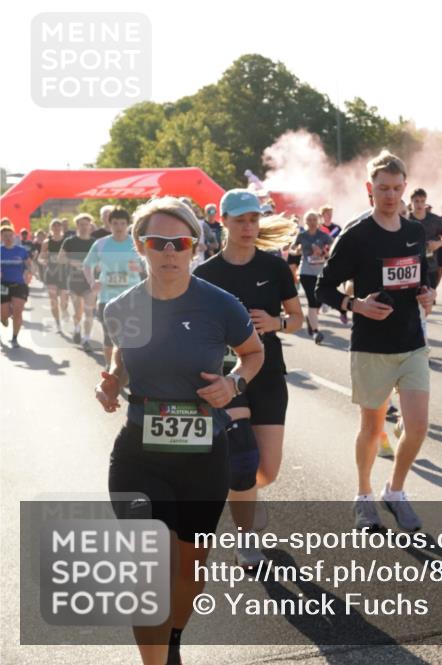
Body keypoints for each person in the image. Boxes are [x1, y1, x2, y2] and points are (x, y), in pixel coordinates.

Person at [96, 196, 264, 665]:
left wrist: (233, 383)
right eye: (158, 242)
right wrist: (111, 382)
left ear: (194, 246)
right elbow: (122, 357)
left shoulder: (220, 304)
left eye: (180, 243)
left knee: (190, 568)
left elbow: (254, 353)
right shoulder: (121, 307)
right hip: (139, 456)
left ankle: (171, 640)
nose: (170, 251)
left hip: (203, 456)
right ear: (140, 247)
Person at [316, 150, 435, 532]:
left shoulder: (414, 232)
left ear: (405, 188)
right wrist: (357, 305)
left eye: (397, 188)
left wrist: (428, 294)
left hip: (412, 343)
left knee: (418, 426)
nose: (390, 195)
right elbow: (322, 287)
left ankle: (395, 491)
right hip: (371, 347)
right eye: (383, 188)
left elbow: (421, 278)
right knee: (372, 428)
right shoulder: (356, 236)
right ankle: (364, 495)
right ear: (370, 188)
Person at [194, 189, 303, 568]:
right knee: (241, 459)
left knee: (266, 470)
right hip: (226, 375)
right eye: (240, 220)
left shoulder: (274, 268)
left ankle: (247, 498)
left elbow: (297, 318)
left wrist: (276, 323)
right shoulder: (205, 275)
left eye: (254, 220)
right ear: (222, 221)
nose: (248, 227)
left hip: (269, 373)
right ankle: (245, 540)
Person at [83, 206, 144, 368]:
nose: (119, 227)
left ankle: (128, 368)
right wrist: (92, 282)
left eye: (122, 223)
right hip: (107, 297)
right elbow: (87, 265)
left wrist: (140, 268)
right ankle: (110, 368)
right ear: (109, 224)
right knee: (109, 336)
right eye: (115, 223)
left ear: (128, 225)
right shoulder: (101, 244)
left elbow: (149, 265)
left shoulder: (136, 243)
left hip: (132, 296)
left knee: (131, 336)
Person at [292, 210, 333, 343]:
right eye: (309, 219)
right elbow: (292, 249)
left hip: (320, 271)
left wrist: (323, 252)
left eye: (314, 219)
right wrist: (297, 251)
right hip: (306, 271)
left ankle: (311, 319)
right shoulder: (302, 235)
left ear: (318, 221)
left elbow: (333, 249)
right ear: (305, 221)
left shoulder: (323, 236)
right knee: (312, 299)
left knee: (319, 298)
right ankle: (316, 332)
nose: (312, 222)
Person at [60, 213, 99, 349]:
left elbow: (101, 260)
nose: (84, 227)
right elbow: (60, 258)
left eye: (86, 225)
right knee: (78, 311)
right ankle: (77, 329)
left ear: (90, 226)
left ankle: (86, 339)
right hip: (74, 281)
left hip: (90, 281)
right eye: (81, 225)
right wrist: (72, 262)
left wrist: (96, 266)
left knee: (89, 311)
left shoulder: (95, 242)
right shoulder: (69, 241)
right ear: (77, 226)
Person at [409, 189, 442, 309]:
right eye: (416, 201)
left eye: (422, 201)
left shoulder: (435, 220)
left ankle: (423, 319)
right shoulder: (405, 219)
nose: (419, 204)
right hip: (411, 267)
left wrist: (438, 244)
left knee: (427, 305)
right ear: (411, 202)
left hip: (430, 266)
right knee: (411, 303)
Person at [1, 222, 32, 348]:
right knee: (3, 313)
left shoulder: (21, 250)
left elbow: (29, 265)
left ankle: (14, 338)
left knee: (18, 311)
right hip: (3, 285)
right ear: (1, 237)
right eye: (5, 236)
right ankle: (3, 318)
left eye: (10, 235)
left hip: (19, 284)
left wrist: (28, 272)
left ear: (14, 236)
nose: (8, 238)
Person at [39, 219, 69, 333]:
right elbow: (40, 257)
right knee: (53, 300)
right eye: (54, 226)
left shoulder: (67, 241)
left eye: (58, 226)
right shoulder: (47, 242)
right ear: (51, 228)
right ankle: (58, 324)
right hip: (51, 273)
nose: (56, 228)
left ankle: (64, 310)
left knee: (63, 301)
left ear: (61, 228)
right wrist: (43, 261)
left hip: (64, 273)